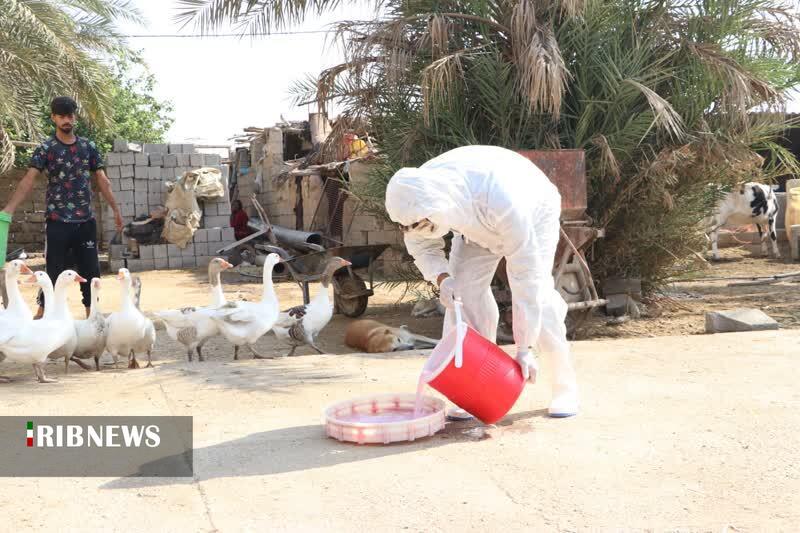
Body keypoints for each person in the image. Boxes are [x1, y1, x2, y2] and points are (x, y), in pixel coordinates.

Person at [384, 145, 579, 418]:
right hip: (475, 228)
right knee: (461, 297)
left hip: (532, 212)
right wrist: (443, 280)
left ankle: (563, 387)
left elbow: (526, 278)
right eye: (411, 227)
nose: (418, 231)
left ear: (438, 207)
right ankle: (474, 387)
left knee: (540, 298)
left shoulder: (501, 200)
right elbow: (421, 246)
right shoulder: (413, 195)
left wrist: (524, 347)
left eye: (423, 224)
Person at [0, 96, 123, 318]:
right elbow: (29, 179)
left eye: (70, 115)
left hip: (85, 221)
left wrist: (115, 209)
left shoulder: (88, 147)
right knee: (54, 271)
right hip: (57, 221)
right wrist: (9, 208)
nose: (67, 120)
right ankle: (42, 315)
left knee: (91, 271)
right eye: (62, 116)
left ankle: (92, 316)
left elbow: (103, 181)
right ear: (54, 118)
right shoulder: (46, 149)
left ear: (74, 117)